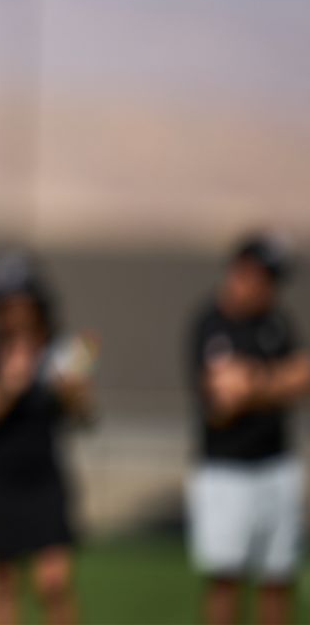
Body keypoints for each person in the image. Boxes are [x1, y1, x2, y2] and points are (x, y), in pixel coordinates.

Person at [0, 252, 94, 625]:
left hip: (44, 477)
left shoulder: (64, 353)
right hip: (0, 478)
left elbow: (86, 417)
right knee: (1, 583)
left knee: (54, 582)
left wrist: (74, 393)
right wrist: (8, 386)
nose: (16, 313)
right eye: (8, 304)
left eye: (23, 303)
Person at [185, 233, 310, 625]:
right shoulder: (210, 324)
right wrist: (276, 382)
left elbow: (303, 376)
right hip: (226, 470)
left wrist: (254, 382)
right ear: (241, 273)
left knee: (278, 576)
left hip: (276, 464)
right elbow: (222, 400)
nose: (269, 288)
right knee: (226, 578)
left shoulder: (276, 321)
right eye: (263, 277)